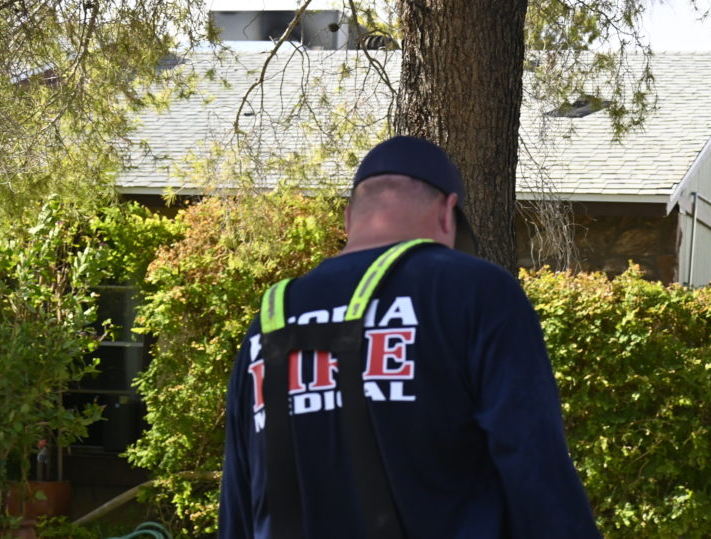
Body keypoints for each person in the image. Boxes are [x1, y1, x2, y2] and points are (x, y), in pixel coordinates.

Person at [219, 136, 601, 538]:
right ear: (447, 213)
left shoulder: (270, 323)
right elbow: (534, 466)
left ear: (348, 218)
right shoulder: (475, 291)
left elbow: (238, 501)